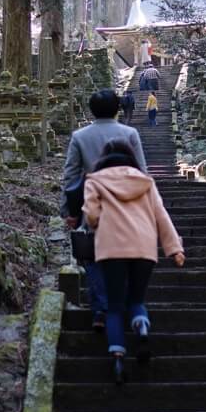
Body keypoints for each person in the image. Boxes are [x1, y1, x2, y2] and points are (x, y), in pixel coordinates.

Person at [83, 140, 184, 384]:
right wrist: (175, 249)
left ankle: (118, 356)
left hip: (111, 248)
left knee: (115, 305)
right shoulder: (145, 182)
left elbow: (91, 214)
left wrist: (97, 225)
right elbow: (162, 216)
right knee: (137, 299)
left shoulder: (95, 180)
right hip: (143, 247)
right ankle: (141, 328)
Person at [61, 89, 148, 331]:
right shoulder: (129, 133)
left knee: (94, 257)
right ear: (117, 109)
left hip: (94, 204)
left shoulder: (80, 136)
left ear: (92, 110)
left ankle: (101, 309)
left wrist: (69, 209)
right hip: (126, 205)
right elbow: (141, 171)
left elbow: (70, 176)